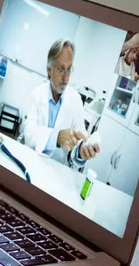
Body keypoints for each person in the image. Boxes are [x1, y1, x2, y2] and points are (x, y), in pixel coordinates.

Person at [22, 39, 101, 170]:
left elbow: (80, 137)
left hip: (57, 170)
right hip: (32, 163)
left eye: (69, 69)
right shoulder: (36, 95)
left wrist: (82, 150)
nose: (66, 77)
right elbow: (29, 133)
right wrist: (56, 137)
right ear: (49, 70)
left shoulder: (75, 100)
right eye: (60, 70)